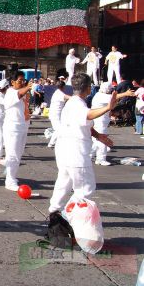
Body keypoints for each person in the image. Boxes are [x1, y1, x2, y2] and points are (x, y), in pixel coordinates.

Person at [48, 74, 117, 214]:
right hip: (76, 151)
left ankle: (55, 213)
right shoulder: (78, 104)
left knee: (64, 183)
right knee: (85, 189)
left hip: (65, 150)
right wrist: (108, 107)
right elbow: (88, 115)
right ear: (88, 88)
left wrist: (98, 136)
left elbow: (83, 123)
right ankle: (69, 216)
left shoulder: (72, 102)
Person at [90, 82, 134, 165]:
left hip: (100, 121)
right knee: (103, 139)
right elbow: (114, 97)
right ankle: (101, 159)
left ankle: (90, 154)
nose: (112, 90)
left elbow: (112, 104)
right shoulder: (101, 96)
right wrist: (126, 93)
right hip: (100, 122)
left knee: (97, 140)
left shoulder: (99, 95)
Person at [2, 71, 32, 191]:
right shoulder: (10, 92)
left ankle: (12, 176)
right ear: (12, 82)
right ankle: (9, 180)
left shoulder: (22, 92)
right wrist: (28, 87)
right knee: (12, 154)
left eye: (23, 80)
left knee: (18, 154)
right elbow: (19, 94)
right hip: (13, 128)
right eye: (20, 81)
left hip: (22, 126)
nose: (22, 83)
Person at [47, 80, 71, 148]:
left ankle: (54, 143)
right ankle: (51, 143)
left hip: (57, 114)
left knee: (60, 129)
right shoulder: (59, 94)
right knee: (59, 129)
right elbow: (68, 97)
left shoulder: (57, 92)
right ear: (63, 87)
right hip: (55, 115)